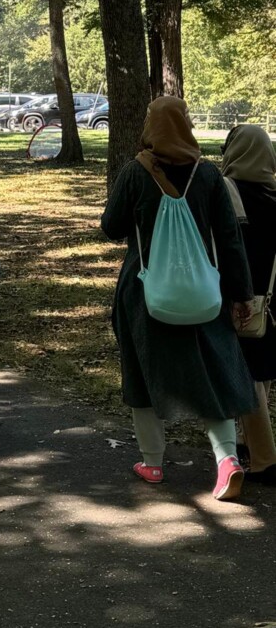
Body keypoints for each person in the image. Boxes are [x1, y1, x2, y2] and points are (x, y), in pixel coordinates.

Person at [101, 96, 257, 501]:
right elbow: (229, 239)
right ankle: (226, 461)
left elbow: (111, 226)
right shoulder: (209, 177)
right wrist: (240, 294)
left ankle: (152, 462)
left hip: (144, 291)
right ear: (187, 125)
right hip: (205, 291)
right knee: (211, 372)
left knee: (142, 372)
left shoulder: (135, 172)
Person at [221, 124, 276, 484]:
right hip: (273, 300)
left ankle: (264, 459)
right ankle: (248, 443)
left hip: (242, 298)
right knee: (263, 371)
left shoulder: (227, 192)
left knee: (248, 378)